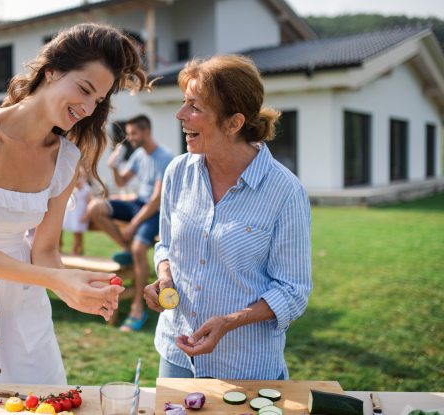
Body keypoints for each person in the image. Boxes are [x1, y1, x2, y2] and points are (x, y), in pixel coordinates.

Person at [0, 23, 149, 384]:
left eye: (98, 100)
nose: (87, 106)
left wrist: (71, 291)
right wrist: (58, 279)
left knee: (41, 395)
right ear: (51, 71)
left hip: (20, 295)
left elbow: (45, 248)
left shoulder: (66, 158)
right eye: (84, 88)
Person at [143, 55, 312, 379]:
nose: (181, 115)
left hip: (245, 365)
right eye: (184, 103)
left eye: (194, 107)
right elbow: (165, 245)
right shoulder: (178, 171)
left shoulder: (285, 191)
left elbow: (293, 291)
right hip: (176, 353)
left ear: (233, 123)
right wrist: (164, 276)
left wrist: (229, 322)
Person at [85, 115, 174, 332]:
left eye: (133, 133)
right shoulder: (139, 155)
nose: (130, 138)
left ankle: (137, 309)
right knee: (95, 208)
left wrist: (134, 223)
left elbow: (155, 199)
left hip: (156, 210)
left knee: (139, 248)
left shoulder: (165, 156)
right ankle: (127, 251)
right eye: (129, 133)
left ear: (146, 132)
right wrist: (114, 167)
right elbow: (122, 181)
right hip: (138, 203)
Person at [62, 165, 92, 255]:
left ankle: (75, 250)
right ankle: (59, 245)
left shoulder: (87, 189)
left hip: (80, 214)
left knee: (77, 232)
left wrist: (86, 215)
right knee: (61, 229)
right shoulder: (72, 188)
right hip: (71, 214)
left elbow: (90, 203)